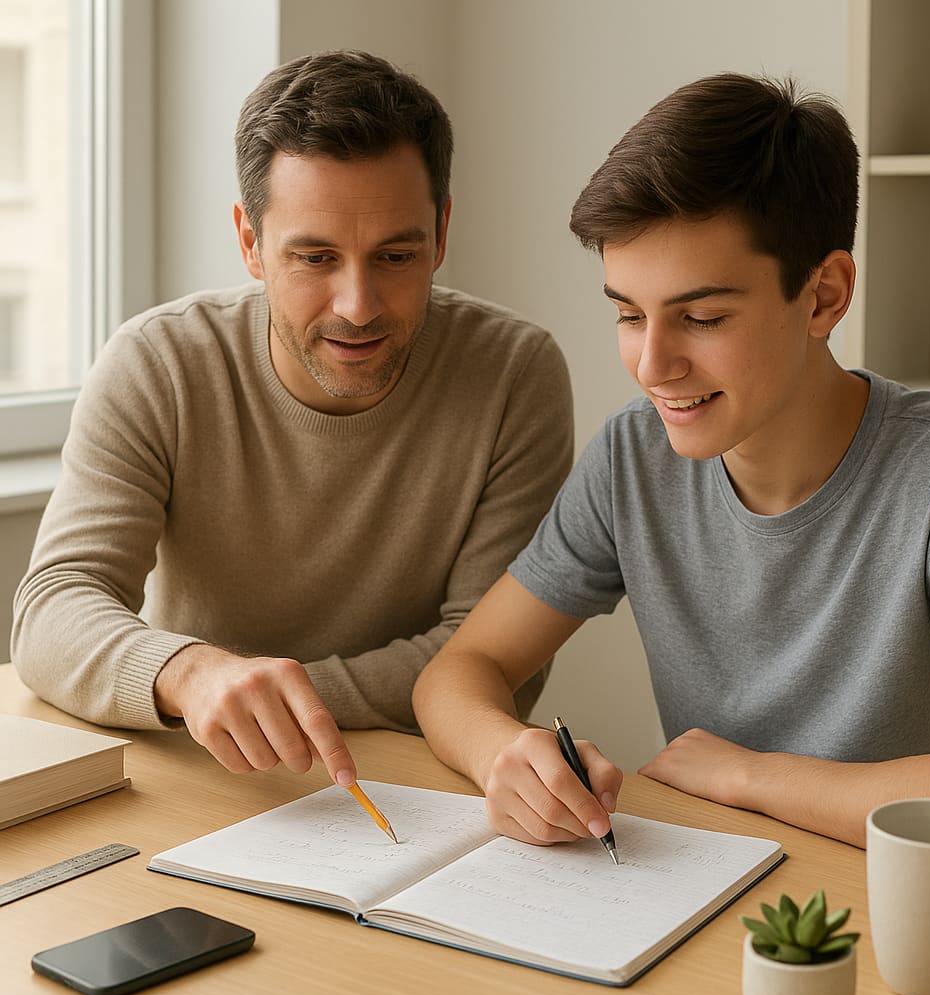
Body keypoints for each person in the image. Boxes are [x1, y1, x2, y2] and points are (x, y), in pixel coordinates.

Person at [413, 72, 930, 849]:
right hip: (710, 883)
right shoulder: (633, 458)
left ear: (824, 295)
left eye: (701, 317)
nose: (652, 365)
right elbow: (460, 669)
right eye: (629, 314)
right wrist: (503, 753)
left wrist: (748, 775)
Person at [12, 50, 573, 790]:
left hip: (410, 782)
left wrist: (266, 699)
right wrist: (191, 675)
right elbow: (53, 609)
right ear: (250, 241)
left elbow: (487, 659)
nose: (357, 305)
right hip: (199, 770)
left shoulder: (515, 373)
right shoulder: (159, 362)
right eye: (314, 257)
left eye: (395, 256)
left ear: (441, 233)